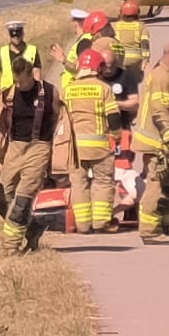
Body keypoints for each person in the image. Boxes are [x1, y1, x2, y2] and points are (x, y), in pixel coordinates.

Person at [0, 47, 64, 254]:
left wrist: (51, 148)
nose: (19, 85)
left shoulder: (50, 92)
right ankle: (33, 230)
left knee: (23, 199)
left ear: (31, 74)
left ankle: (11, 246)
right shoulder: (8, 94)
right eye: (16, 81)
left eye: (22, 81)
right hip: (14, 148)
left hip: (39, 147)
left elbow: (57, 118)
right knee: (2, 200)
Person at [135, 43, 169, 243]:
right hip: (157, 144)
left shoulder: (168, 76)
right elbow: (160, 112)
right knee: (156, 185)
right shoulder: (161, 77)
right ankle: (149, 231)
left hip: (163, 143)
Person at [62, 47, 119, 231]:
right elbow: (113, 117)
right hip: (99, 147)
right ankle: (101, 223)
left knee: (78, 184)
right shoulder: (103, 88)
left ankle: (83, 225)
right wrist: (117, 136)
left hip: (74, 149)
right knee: (103, 181)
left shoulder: (67, 90)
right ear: (98, 68)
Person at [112, 0, 150, 77]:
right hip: (135, 60)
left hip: (119, 59)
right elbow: (145, 44)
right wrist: (146, 60)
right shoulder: (141, 26)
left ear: (121, 13)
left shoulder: (115, 26)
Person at [0, 20, 41, 85]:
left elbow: (36, 73)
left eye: (18, 34)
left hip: (26, 90)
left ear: (23, 34)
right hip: (7, 90)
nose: (16, 37)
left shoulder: (33, 50)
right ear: (10, 35)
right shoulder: (2, 52)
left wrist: (37, 89)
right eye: (13, 34)